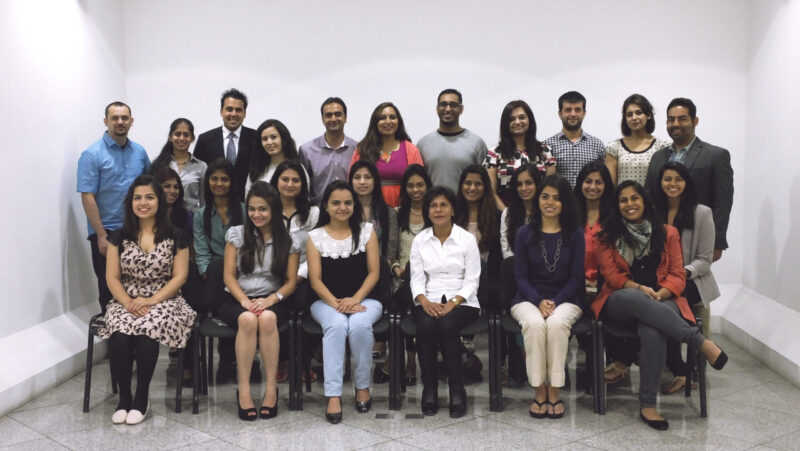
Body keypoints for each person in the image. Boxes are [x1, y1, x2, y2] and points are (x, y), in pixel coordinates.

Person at [591, 181, 728, 430]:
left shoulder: (667, 233)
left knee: (652, 329)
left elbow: (677, 274)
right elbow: (612, 277)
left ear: (644, 201)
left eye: (635, 198)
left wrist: (662, 292)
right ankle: (700, 342)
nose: (630, 204)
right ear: (616, 205)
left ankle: (648, 406)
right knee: (636, 299)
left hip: (665, 299)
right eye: (623, 200)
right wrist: (641, 289)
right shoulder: (606, 236)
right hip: (621, 300)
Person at [97, 175, 195, 425]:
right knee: (119, 332)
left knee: (146, 330)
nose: (143, 203)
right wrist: (129, 302)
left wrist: (151, 301)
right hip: (126, 298)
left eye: (149, 197)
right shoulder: (118, 236)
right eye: (137, 198)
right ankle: (124, 399)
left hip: (166, 298)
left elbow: (180, 277)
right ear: (130, 202)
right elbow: (112, 278)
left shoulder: (177, 235)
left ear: (159, 201)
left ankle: (141, 397)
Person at [221, 182, 299, 420]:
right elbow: (228, 276)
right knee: (247, 320)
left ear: (274, 210)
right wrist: (245, 301)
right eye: (252, 209)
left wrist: (271, 299)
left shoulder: (289, 241)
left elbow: (291, 281)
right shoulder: (236, 235)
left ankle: (271, 389)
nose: (256, 214)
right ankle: (243, 390)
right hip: (237, 299)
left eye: (263, 209)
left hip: (273, 300)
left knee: (266, 319)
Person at [307, 181, 383, 424]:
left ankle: (362, 386)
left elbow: (374, 273)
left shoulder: (367, 231)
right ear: (326, 207)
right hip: (325, 301)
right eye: (336, 203)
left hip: (366, 299)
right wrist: (338, 304)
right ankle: (333, 394)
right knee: (337, 326)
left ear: (355, 205)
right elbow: (315, 280)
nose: (342, 207)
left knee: (359, 325)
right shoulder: (314, 237)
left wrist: (355, 299)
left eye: (348, 202)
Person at [511, 174, 584, 419]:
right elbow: (520, 276)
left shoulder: (575, 233)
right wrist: (538, 301)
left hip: (566, 299)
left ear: (565, 203)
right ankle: (538, 390)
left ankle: (554, 390)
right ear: (537, 199)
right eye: (545, 197)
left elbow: (576, 277)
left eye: (557, 198)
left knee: (555, 324)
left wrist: (555, 301)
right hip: (527, 298)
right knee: (533, 324)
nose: (550, 202)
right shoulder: (524, 233)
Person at [410, 186, 481, 418]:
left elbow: (472, 280)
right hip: (429, 296)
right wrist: (424, 302)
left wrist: (453, 302)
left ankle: (456, 387)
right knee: (426, 325)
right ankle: (429, 387)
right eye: (433, 205)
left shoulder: (466, 239)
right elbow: (417, 279)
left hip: (463, 300)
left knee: (447, 325)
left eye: (443, 205)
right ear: (427, 211)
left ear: (452, 210)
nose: (438, 210)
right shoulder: (420, 240)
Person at [652, 162, 720, 394]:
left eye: (678, 179)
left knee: (667, 307)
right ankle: (679, 368)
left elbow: (705, 258)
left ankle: (684, 370)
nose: (672, 184)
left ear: (686, 182)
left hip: (691, 280)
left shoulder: (702, 213)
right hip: (660, 280)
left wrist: (681, 273)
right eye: (667, 179)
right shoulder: (653, 210)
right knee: (661, 307)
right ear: (660, 182)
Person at [78, 101, 150, 312]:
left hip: (137, 230)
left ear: (131, 121)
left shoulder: (139, 152)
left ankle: (136, 335)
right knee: (109, 286)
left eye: (124, 118)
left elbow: (148, 189)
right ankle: (114, 338)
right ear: (106, 121)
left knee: (138, 285)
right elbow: (87, 196)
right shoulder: (91, 155)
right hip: (107, 232)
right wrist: (100, 234)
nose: (120, 122)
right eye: (115, 118)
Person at [645, 97, 734, 262]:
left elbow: (723, 201)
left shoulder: (716, 155)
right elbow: (649, 196)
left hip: (696, 235)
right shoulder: (658, 157)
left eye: (682, 118)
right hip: (661, 235)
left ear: (695, 121)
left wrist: (717, 240)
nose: (676, 123)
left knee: (693, 280)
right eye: (671, 119)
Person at [374, 164, 431, 385]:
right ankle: (395, 356)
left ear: (427, 186)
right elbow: (392, 249)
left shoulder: (435, 212)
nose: (416, 190)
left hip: (428, 279)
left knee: (410, 302)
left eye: (420, 185)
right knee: (398, 302)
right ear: (404, 188)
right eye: (411, 186)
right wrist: (396, 267)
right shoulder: (397, 213)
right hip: (400, 275)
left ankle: (409, 361)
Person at [193, 158, 246, 384]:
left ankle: (240, 357)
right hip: (214, 276)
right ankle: (227, 358)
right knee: (215, 266)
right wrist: (212, 275)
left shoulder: (244, 210)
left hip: (243, 272)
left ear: (232, 182)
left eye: (224, 179)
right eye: (214, 179)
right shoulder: (201, 215)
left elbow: (251, 248)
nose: (219, 183)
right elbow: (202, 253)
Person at [270, 160, 320, 382]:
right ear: (276, 182)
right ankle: (282, 360)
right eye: (285, 179)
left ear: (303, 184)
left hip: (304, 275)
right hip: (273, 275)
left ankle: (303, 362)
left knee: (303, 303)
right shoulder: (266, 210)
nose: (290, 184)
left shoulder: (313, 213)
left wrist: (299, 275)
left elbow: (316, 249)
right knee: (278, 305)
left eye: (295, 180)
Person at [455, 164, 501, 353]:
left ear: (486, 187)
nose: (472, 188)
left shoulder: (497, 218)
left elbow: (498, 261)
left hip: (487, 284)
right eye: (467, 183)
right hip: (454, 281)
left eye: (478, 184)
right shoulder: (452, 215)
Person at [350, 102, 423, 207]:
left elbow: (420, 183)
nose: (388, 121)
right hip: (368, 210)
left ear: (399, 121)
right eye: (382, 118)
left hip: (404, 210)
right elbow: (352, 181)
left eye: (392, 117)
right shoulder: (362, 150)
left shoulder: (411, 149)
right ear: (375, 122)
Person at [485, 100, 555, 210]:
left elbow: (550, 190)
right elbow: (491, 193)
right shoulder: (495, 152)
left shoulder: (545, 151)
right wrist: (506, 214)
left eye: (522, 117)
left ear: (530, 120)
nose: (517, 122)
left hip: (539, 214)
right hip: (505, 213)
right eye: (512, 119)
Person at [417, 89, 488, 193]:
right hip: (434, 208)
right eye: (443, 104)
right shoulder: (423, 144)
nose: (448, 109)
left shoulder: (476, 143)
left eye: (453, 105)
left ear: (461, 109)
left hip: (465, 208)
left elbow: (484, 183)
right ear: (437, 109)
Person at [194, 88, 257, 200]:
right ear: (221, 111)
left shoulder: (256, 138)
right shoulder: (205, 140)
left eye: (238, 110)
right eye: (229, 109)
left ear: (244, 113)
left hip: (247, 205)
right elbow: (197, 175)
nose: (233, 114)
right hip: (213, 205)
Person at [298, 97, 358, 205]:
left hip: (351, 210)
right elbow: (302, 187)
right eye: (328, 115)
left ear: (345, 118)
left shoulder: (358, 149)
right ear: (322, 119)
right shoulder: (307, 151)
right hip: (318, 212)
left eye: (338, 114)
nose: (333, 119)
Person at [604, 94, 669, 186]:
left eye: (639, 113)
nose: (634, 118)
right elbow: (610, 186)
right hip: (623, 199)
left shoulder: (662, 146)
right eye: (629, 114)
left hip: (652, 200)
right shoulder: (614, 147)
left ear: (649, 115)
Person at [544, 91, 605, 188]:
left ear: (584, 113)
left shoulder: (597, 145)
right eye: (568, 110)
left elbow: (603, 179)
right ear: (560, 114)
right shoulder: (548, 145)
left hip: (588, 202)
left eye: (577, 110)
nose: (573, 114)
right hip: (561, 202)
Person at [149, 118, 207, 211]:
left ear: (192, 138)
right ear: (170, 137)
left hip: (191, 221)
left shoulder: (201, 167)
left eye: (186, 135)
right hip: (163, 220)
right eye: (177, 134)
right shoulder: (158, 164)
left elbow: (204, 201)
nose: (182, 138)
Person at [246, 119, 308, 195]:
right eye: (265, 139)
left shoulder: (298, 168)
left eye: (273, 137)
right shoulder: (256, 171)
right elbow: (249, 199)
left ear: (284, 139)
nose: (269, 142)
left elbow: (305, 197)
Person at [500, 164, 543, 260]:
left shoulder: (545, 212)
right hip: (515, 267)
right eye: (519, 184)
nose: (523, 188)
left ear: (537, 184)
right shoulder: (508, 213)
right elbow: (507, 250)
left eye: (528, 183)